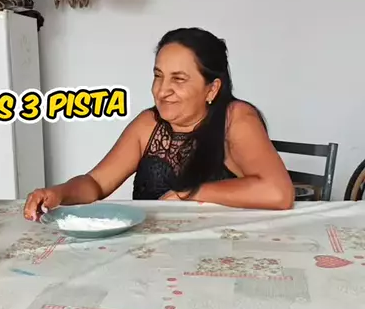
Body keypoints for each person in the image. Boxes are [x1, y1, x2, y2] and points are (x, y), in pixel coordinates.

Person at [24, 27, 294, 219]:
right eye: (158, 76)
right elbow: (95, 183)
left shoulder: (236, 118)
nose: (162, 91)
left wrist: (191, 193)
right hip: (153, 254)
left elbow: (278, 192)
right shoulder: (148, 124)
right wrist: (58, 193)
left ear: (212, 89)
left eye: (178, 79)